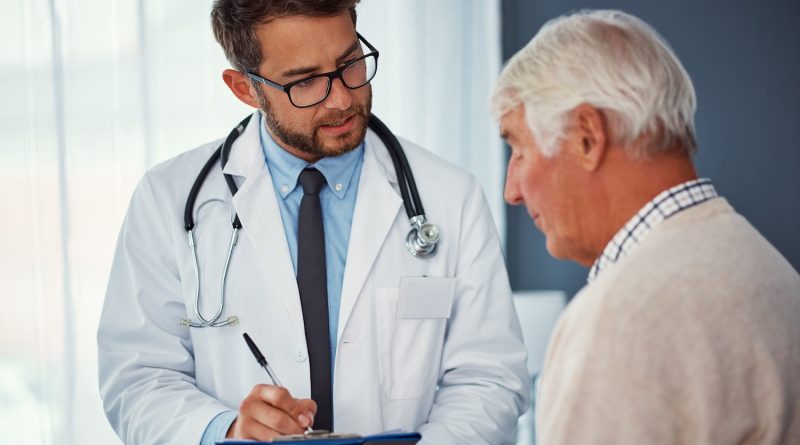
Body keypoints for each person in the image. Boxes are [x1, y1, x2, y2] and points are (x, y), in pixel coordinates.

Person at [97, 1, 529, 444]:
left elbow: (489, 377)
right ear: (245, 88)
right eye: (305, 81)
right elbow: (139, 376)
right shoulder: (167, 198)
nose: (342, 99)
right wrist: (226, 429)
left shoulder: (450, 196)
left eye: (350, 64)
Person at [492, 9, 800, 445]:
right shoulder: (772, 271)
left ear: (586, 137)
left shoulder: (618, 321)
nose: (512, 191)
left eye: (519, 149)